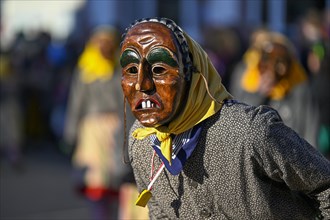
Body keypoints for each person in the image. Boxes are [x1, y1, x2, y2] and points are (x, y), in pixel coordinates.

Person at [120, 17, 330, 219]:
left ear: (192, 75)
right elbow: (160, 213)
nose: (142, 84)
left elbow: (325, 185)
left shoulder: (249, 132)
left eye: (159, 69)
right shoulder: (141, 143)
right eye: (130, 69)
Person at [64, 26, 135, 220]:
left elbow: (126, 104)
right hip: (92, 133)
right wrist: (70, 134)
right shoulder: (84, 70)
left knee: (118, 182)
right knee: (96, 183)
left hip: (115, 131)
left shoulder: (119, 69)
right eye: (100, 42)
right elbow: (76, 103)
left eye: (108, 42)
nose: (104, 47)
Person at [230, 30, 319, 148]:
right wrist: (259, 93)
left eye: (279, 62)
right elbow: (239, 123)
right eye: (267, 61)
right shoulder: (248, 84)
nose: (272, 69)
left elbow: (310, 131)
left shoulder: (299, 90)